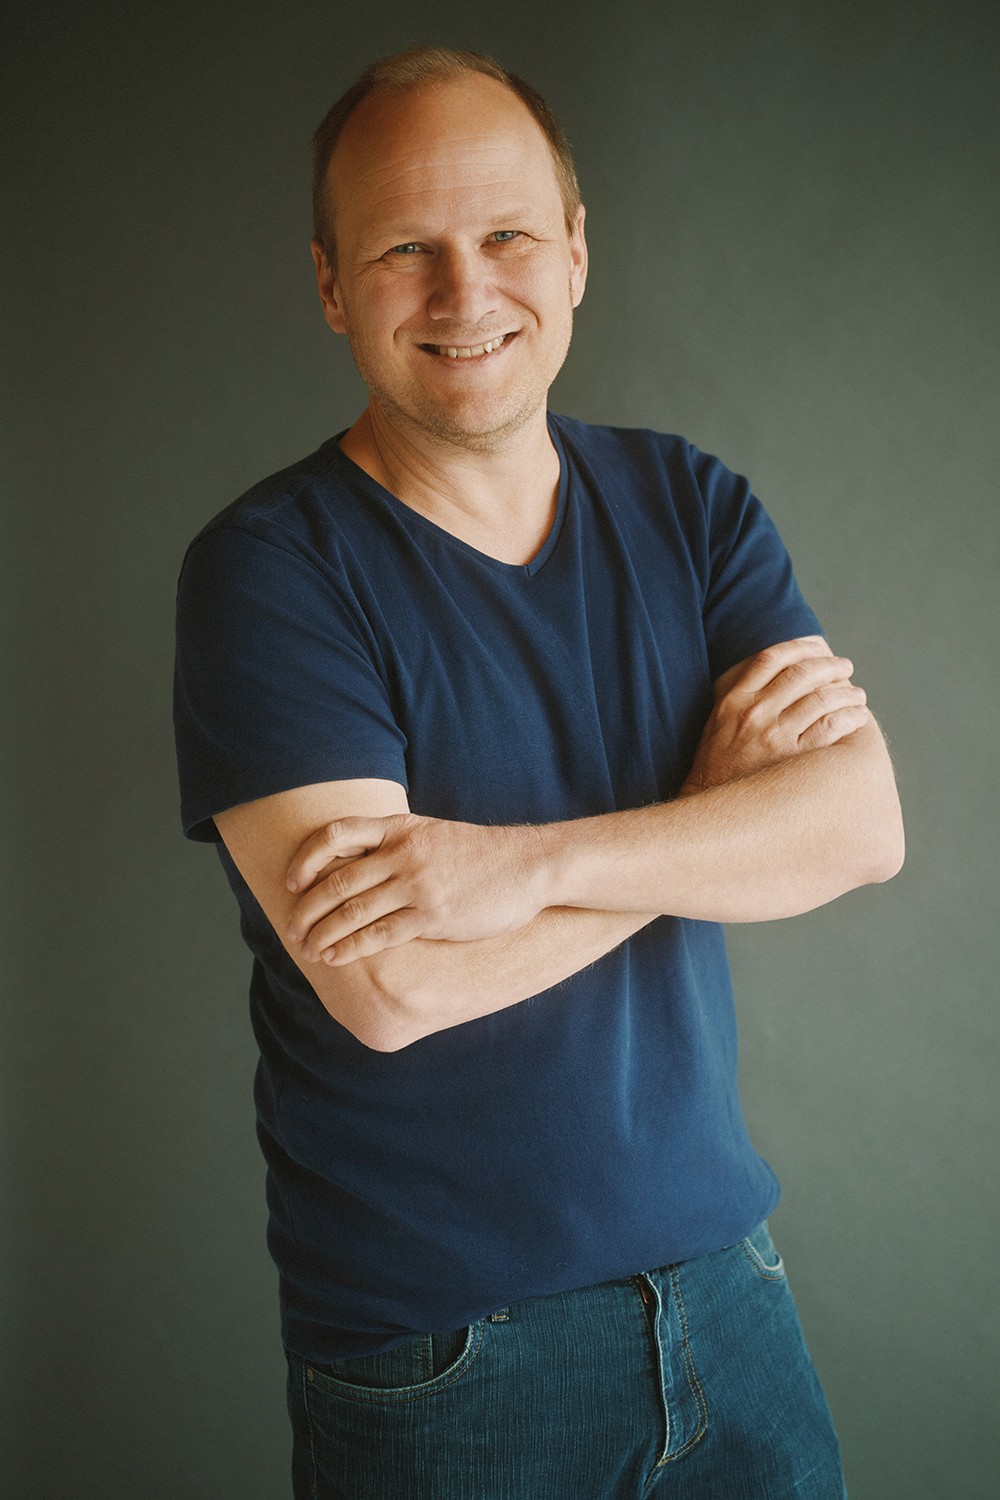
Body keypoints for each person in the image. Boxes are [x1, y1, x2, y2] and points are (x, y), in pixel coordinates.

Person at [173, 45, 903, 1500]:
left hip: (729, 1290)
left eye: (507, 233)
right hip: (448, 1355)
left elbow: (860, 826)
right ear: (331, 286)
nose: (466, 291)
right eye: (406, 248)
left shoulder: (691, 504)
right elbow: (393, 988)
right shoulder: (270, 571)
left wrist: (524, 868)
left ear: (574, 251)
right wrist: (709, 826)